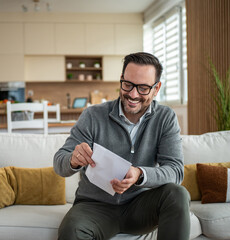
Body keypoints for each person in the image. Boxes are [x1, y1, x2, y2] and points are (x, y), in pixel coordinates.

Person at [53, 52, 190, 240]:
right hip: (94, 207)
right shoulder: (93, 115)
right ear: (121, 80)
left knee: (177, 194)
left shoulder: (165, 118)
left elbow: (176, 172)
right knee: (71, 231)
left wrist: (140, 174)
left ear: (156, 89)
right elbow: (59, 163)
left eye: (143, 88)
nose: (133, 94)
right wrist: (73, 160)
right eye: (128, 84)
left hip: (140, 206)